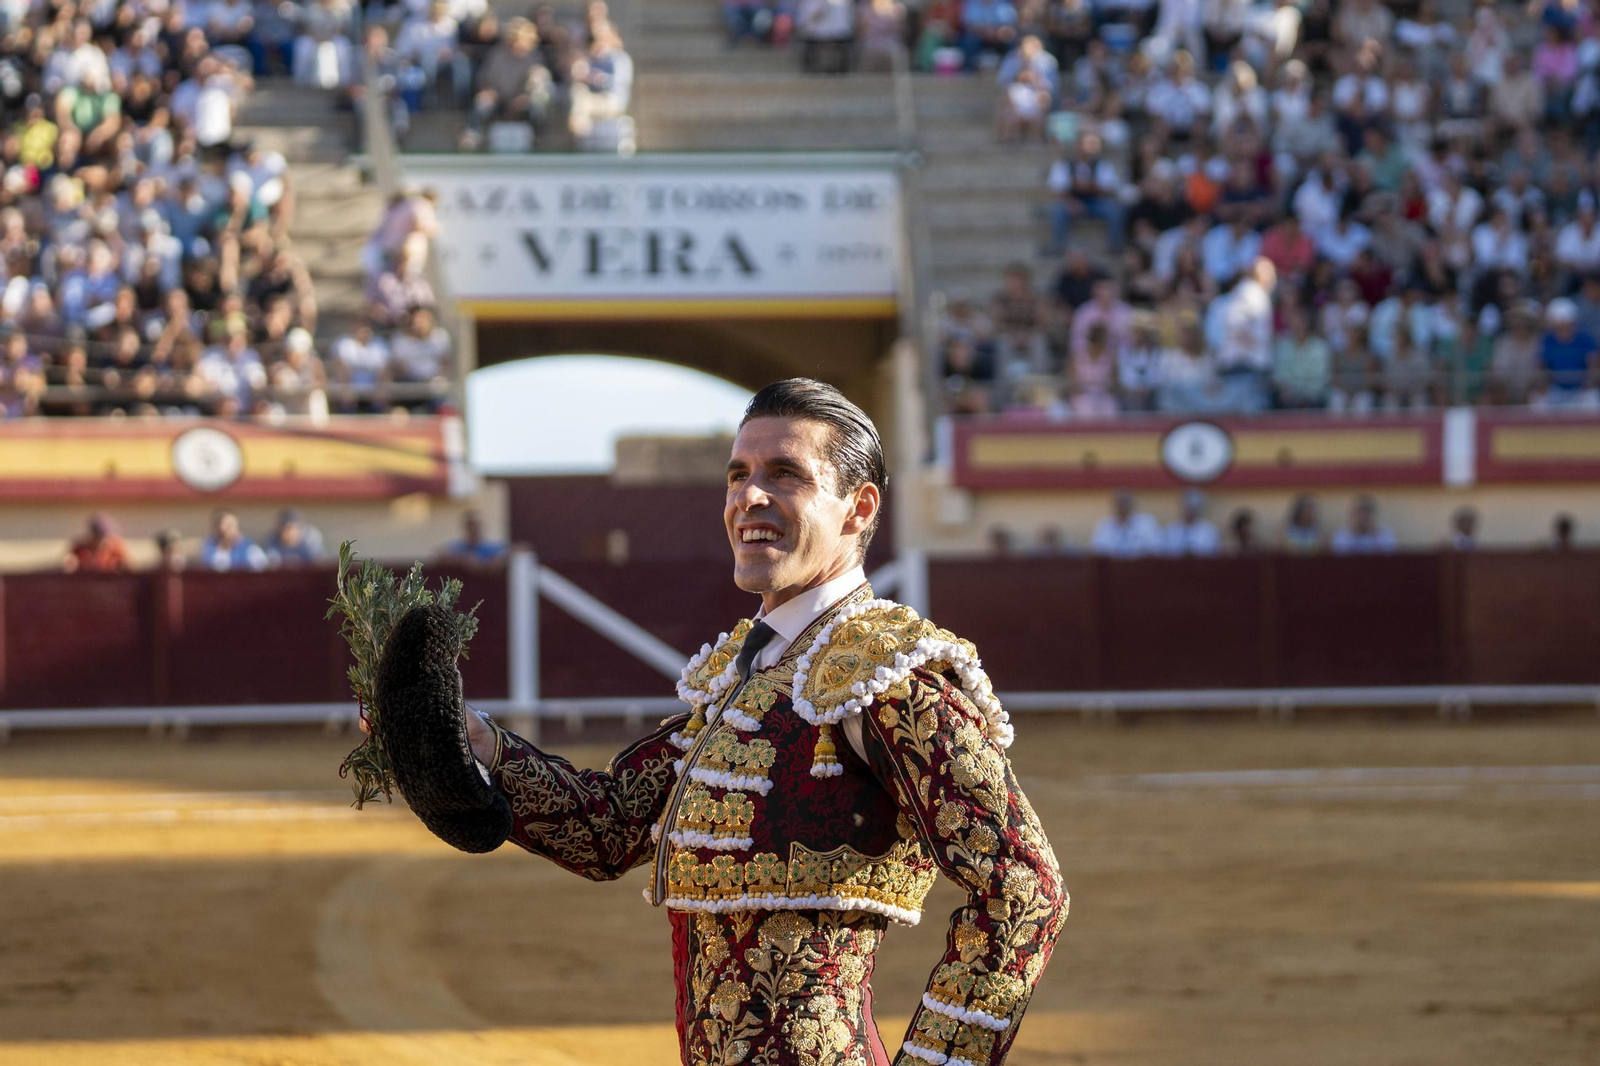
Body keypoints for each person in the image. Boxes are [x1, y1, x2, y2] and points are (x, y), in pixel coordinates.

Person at [379, 378, 1065, 1065]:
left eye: (785, 474)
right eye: (738, 475)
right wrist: (478, 743)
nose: (749, 496)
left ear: (858, 508)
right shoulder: (742, 676)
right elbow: (610, 828)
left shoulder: (891, 678)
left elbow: (1025, 888)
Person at [1090, 491, 1164, 557]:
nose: (1123, 506)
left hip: (1141, 566)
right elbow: (1097, 550)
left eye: (1126, 502)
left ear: (1132, 505)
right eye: (1120, 503)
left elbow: (1157, 549)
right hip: (1113, 566)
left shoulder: (1146, 523)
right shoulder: (1105, 525)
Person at [197, 510, 269, 571]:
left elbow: (263, 570)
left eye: (230, 526)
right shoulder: (209, 547)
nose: (223, 529)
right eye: (220, 525)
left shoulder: (250, 549)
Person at [62, 513, 130, 573]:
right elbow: (67, 562)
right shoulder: (81, 548)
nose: (102, 540)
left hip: (108, 581)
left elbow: (128, 567)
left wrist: (119, 566)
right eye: (99, 536)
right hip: (86, 581)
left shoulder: (116, 548)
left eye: (104, 536)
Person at [1330, 495, 1398, 555]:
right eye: (1359, 513)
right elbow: (1339, 553)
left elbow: (1390, 555)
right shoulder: (1343, 533)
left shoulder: (1385, 533)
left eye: (1366, 512)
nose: (1362, 517)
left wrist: (1374, 534)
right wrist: (1354, 533)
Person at [440, 510, 508, 564]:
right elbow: (443, 555)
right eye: (471, 525)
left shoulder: (492, 547)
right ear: (465, 527)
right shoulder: (457, 547)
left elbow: (506, 554)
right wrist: (462, 559)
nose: (474, 529)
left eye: (477, 525)